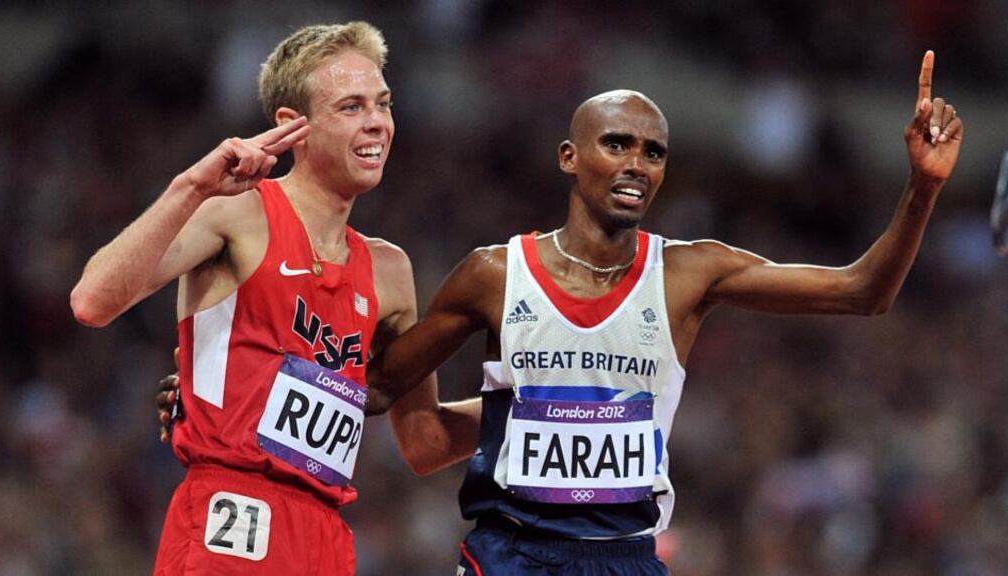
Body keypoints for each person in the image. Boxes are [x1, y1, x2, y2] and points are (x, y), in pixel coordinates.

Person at [364, 51, 963, 574]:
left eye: (654, 152)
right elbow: (388, 389)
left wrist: (923, 188)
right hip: (512, 555)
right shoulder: (494, 274)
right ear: (570, 157)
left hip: (625, 556)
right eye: (617, 144)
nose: (637, 163)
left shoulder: (687, 273)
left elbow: (863, 291)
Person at [71, 22, 477, 575]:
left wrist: (532, 410)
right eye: (351, 107)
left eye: (382, 103)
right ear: (293, 127)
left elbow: (425, 442)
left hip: (325, 536)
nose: (377, 122)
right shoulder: (236, 213)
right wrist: (191, 187)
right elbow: (93, 301)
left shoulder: (388, 270)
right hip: (229, 517)